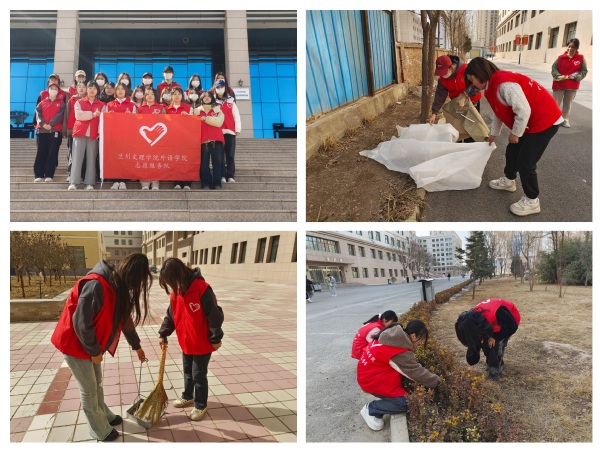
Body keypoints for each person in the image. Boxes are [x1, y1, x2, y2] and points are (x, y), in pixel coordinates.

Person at [50, 254, 152, 441]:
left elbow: (125, 319)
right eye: (136, 282)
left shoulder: (116, 286)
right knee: (88, 389)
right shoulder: (96, 285)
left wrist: (136, 346)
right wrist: (94, 352)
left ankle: (104, 415)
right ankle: (98, 429)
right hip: (74, 344)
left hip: (90, 344)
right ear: (130, 276)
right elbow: (81, 323)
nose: (134, 288)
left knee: (97, 383)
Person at [464, 57, 563, 217]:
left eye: (472, 79)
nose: (472, 84)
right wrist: (493, 134)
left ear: (480, 73)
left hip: (545, 120)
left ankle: (532, 200)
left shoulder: (503, 83)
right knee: (512, 151)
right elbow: (500, 111)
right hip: (529, 121)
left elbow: (523, 111)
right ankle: (509, 181)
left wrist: (516, 133)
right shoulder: (491, 86)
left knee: (526, 161)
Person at [157, 258, 224, 422]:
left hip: (202, 343)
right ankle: (188, 396)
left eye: (171, 282)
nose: (172, 286)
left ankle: (201, 405)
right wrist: (163, 333)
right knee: (187, 372)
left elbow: (215, 316)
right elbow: (171, 316)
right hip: (186, 342)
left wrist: (216, 337)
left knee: (199, 375)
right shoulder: (176, 292)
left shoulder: (202, 289)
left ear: (179, 275)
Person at [357, 321, 439, 431]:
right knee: (406, 403)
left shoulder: (393, 337)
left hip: (370, 375)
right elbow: (416, 372)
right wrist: (437, 381)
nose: (421, 343)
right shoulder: (398, 350)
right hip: (371, 380)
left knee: (406, 393)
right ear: (413, 336)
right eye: (422, 339)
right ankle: (371, 409)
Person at [455, 298, 520, 381]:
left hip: (509, 320)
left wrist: (496, 337)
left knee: (495, 345)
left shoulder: (498, 312)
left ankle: (495, 370)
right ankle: (491, 362)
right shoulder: (473, 322)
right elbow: (474, 342)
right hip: (491, 322)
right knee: (486, 345)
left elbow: (512, 326)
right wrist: (471, 363)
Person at [428, 55, 483, 139]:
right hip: (457, 104)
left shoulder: (466, 70)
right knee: (458, 125)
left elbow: (478, 83)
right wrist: (434, 113)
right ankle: (460, 142)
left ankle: (471, 144)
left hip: (472, 101)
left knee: (472, 125)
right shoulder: (443, 79)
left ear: (452, 67)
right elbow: (440, 96)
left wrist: (471, 93)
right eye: (441, 73)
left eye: (444, 72)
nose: (443, 75)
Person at [69, 80, 104, 190]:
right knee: (77, 158)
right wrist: (93, 114)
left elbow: (102, 121)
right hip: (80, 133)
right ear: (87, 90)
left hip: (94, 135)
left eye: (94, 88)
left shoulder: (102, 105)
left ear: (97, 90)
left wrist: (99, 132)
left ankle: (89, 183)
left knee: (91, 158)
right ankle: (74, 182)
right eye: (90, 88)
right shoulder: (79, 102)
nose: (92, 90)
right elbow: (79, 116)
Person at [104, 82, 137, 190]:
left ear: (126, 91)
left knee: (124, 158)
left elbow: (136, 122)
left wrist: (130, 117)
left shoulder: (132, 105)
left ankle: (123, 181)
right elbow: (104, 121)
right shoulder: (109, 105)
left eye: (122, 89)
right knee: (114, 158)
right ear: (115, 91)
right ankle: (115, 180)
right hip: (113, 137)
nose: (120, 91)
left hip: (126, 137)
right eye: (118, 89)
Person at [551, 38, 588, 128]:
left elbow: (584, 71)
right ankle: (553, 119)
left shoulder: (581, 58)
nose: (571, 49)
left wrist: (577, 77)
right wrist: (558, 76)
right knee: (555, 103)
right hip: (559, 84)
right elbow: (554, 68)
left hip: (572, 86)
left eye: (574, 47)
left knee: (567, 104)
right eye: (569, 46)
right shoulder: (560, 58)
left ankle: (564, 119)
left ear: (577, 48)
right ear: (567, 47)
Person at [33, 82, 65, 182]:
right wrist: (43, 124)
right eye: (52, 88)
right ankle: (38, 175)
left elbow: (60, 115)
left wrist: (50, 124)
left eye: (56, 89)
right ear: (48, 90)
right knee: (41, 152)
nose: (53, 90)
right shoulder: (42, 103)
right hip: (42, 131)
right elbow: (38, 114)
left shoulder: (61, 103)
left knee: (52, 153)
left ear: (58, 91)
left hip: (54, 130)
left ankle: (49, 175)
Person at [214, 78, 241, 183]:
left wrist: (237, 128)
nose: (220, 89)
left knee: (230, 154)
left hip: (230, 131)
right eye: (217, 87)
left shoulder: (231, 102)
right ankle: (222, 175)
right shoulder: (214, 103)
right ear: (215, 89)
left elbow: (236, 116)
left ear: (225, 88)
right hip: (218, 132)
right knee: (219, 155)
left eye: (221, 87)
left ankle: (230, 175)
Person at [137, 89, 164, 190]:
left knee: (156, 160)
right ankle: (144, 182)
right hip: (142, 139)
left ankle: (155, 182)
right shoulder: (139, 108)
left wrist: (160, 118)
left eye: (152, 94)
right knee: (144, 159)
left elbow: (168, 122)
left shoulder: (161, 108)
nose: (149, 96)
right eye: (147, 94)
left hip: (158, 140)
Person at [198, 90, 225, 189]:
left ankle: (217, 183)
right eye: (204, 96)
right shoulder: (196, 110)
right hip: (203, 140)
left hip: (216, 140)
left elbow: (219, 122)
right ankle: (205, 183)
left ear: (212, 98)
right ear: (201, 98)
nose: (206, 98)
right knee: (204, 163)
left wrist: (206, 118)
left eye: (209, 96)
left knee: (217, 162)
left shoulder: (217, 109)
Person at [64, 81, 87, 183]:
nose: (81, 89)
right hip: (72, 130)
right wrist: (65, 130)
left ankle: (82, 174)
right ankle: (71, 173)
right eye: (79, 87)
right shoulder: (72, 100)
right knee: (72, 153)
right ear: (76, 89)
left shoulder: (88, 100)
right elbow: (66, 115)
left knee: (84, 154)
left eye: (83, 87)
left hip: (85, 131)